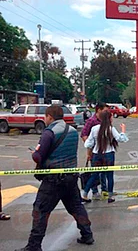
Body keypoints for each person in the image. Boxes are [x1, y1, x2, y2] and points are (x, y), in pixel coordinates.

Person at [17, 106, 94, 251]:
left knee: (40, 210)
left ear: (50, 117)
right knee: (76, 206)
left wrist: (34, 152)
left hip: (53, 180)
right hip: (71, 177)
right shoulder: (71, 131)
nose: (45, 120)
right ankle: (87, 234)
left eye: (45, 117)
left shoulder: (49, 132)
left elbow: (38, 157)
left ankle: (34, 246)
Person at [83, 111, 128, 203]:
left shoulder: (94, 129)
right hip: (109, 154)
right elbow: (121, 139)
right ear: (109, 118)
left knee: (94, 175)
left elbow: (88, 143)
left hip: (96, 154)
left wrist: (89, 152)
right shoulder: (111, 129)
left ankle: (85, 194)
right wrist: (123, 131)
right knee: (109, 176)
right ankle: (110, 196)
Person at [81, 102, 109, 199]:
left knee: (104, 172)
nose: (106, 113)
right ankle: (94, 191)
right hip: (95, 152)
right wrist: (90, 147)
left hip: (105, 151)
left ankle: (104, 191)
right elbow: (84, 134)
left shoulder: (105, 121)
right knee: (95, 173)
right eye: (105, 111)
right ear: (99, 110)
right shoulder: (91, 121)